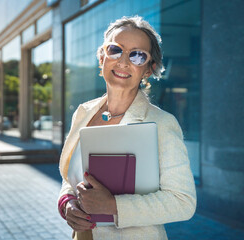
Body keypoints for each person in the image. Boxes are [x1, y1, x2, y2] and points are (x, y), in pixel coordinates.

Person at [57, 16, 196, 240]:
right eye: (115, 50)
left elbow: (183, 202)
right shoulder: (83, 112)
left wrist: (113, 205)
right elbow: (71, 178)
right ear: (102, 57)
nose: (123, 61)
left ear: (148, 70)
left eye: (137, 55)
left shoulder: (162, 123)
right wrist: (67, 202)